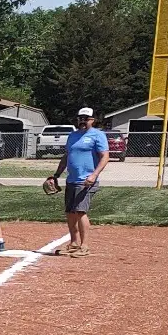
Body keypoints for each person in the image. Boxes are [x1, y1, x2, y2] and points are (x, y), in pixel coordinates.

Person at [49, 106, 109, 258]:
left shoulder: (98, 135)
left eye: (86, 119)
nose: (82, 121)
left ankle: (85, 246)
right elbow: (66, 157)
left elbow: (104, 157)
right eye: (80, 118)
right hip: (72, 180)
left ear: (92, 120)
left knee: (80, 211)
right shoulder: (73, 136)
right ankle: (74, 243)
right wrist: (56, 175)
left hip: (87, 181)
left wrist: (94, 175)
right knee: (70, 212)